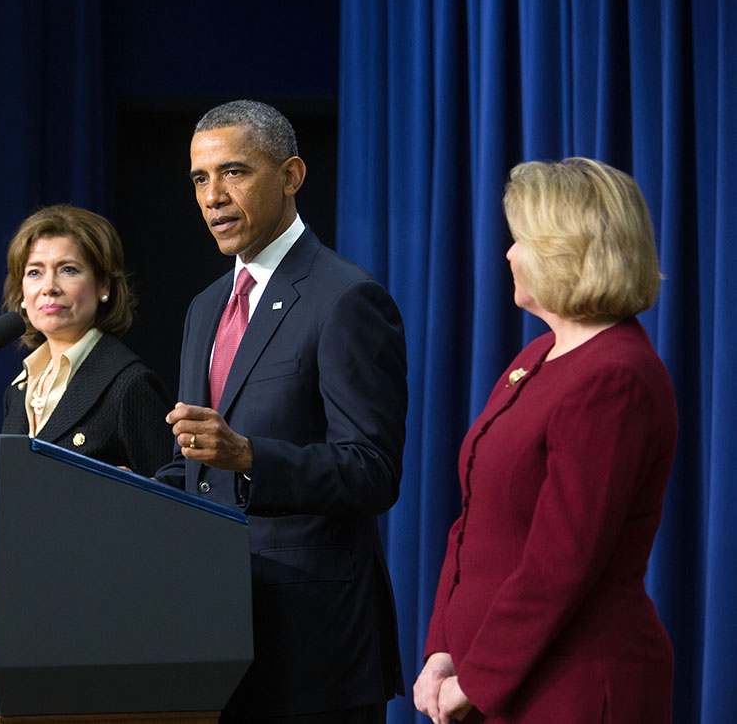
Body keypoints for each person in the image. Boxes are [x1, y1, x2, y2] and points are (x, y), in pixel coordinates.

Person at [156, 100, 408, 722]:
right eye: (199, 179)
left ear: (291, 175)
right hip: (212, 639)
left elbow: (373, 471)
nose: (212, 197)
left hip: (313, 653)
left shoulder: (346, 298)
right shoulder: (206, 306)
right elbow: (194, 467)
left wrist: (247, 456)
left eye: (234, 173)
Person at [413, 158, 678, 723]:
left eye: (522, 240)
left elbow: (563, 559)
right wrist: (442, 651)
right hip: (498, 681)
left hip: (571, 689)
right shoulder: (536, 356)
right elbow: (475, 518)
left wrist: (478, 680)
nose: (508, 254)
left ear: (568, 249)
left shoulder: (615, 376)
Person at [1, 204, 171, 476]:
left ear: (103, 285)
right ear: (21, 290)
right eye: (34, 272)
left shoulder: (130, 384)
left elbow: (172, 500)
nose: (49, 288)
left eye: (67, 270)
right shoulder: (19, 390)